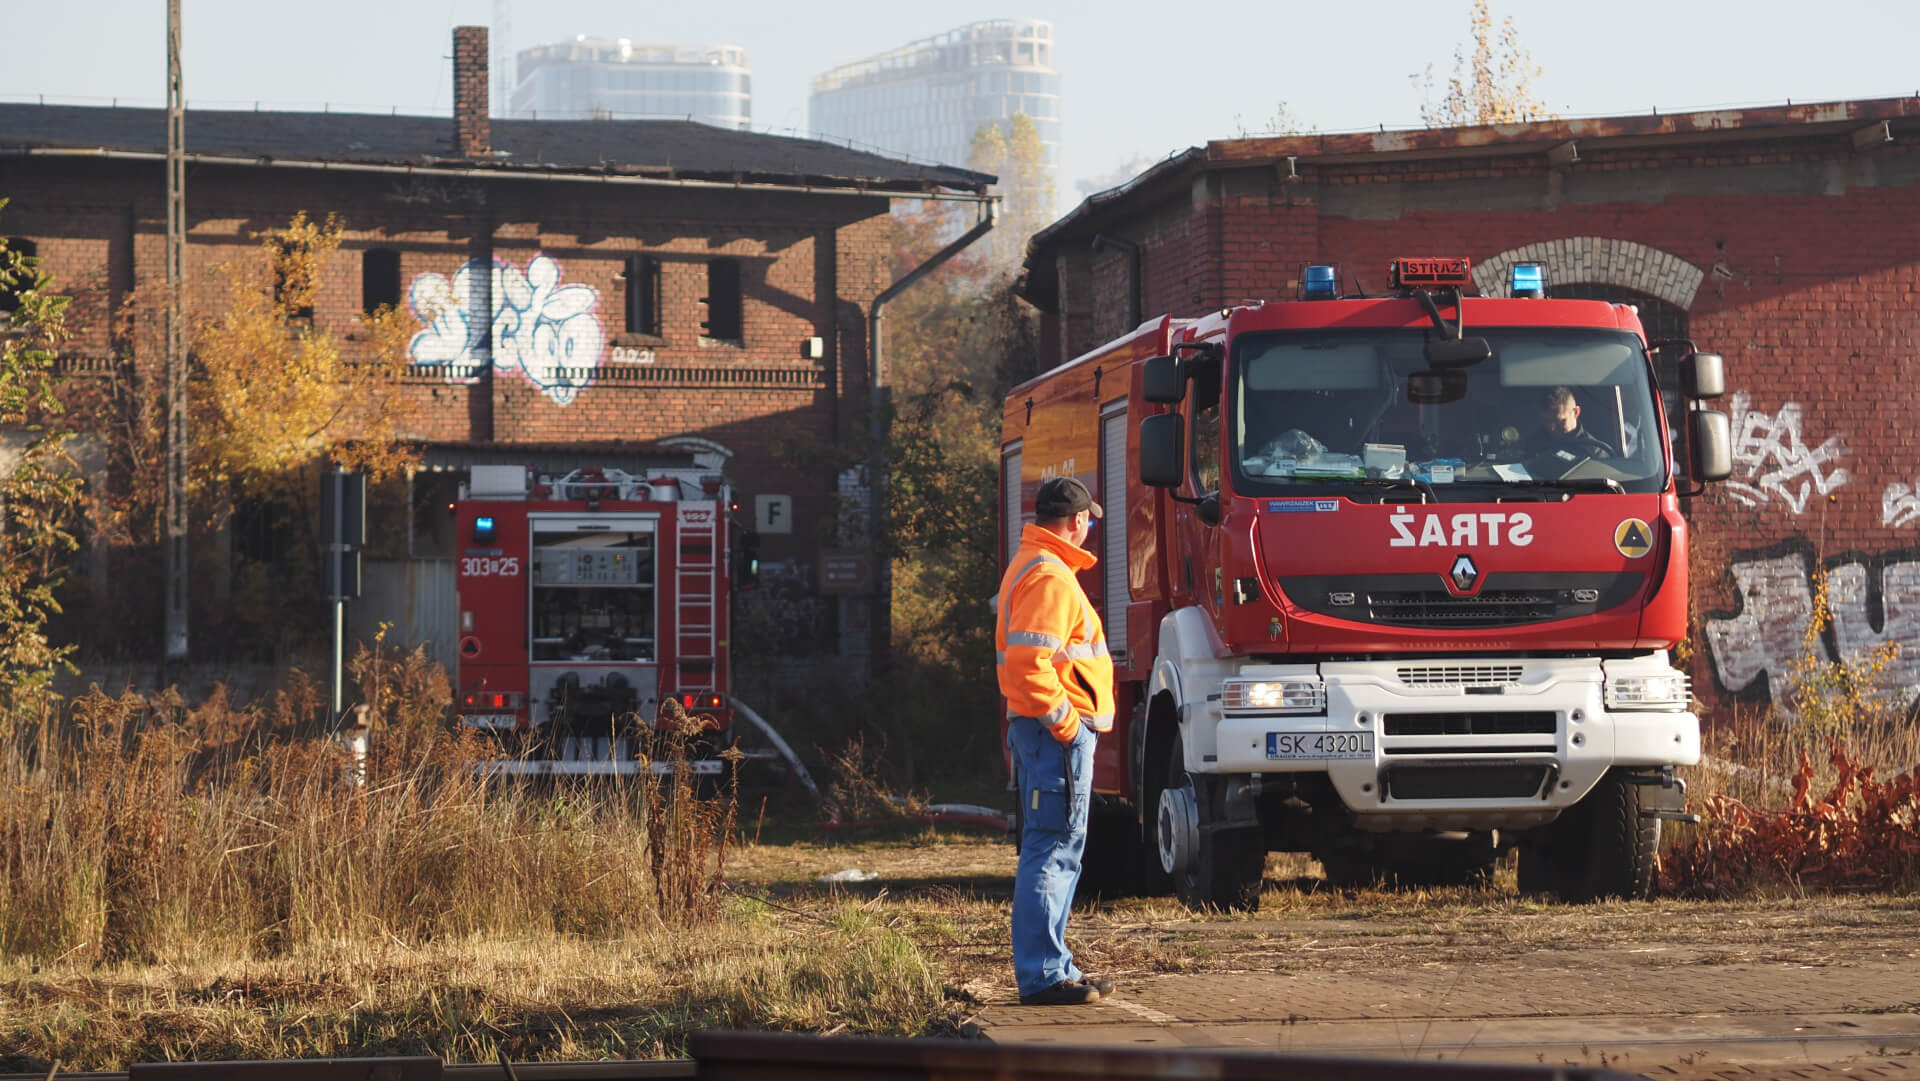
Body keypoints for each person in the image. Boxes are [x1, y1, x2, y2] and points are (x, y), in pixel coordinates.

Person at [996, 475, 1117, 1007]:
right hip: (1054, 734)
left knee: (1059, 848)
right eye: (1087, 517)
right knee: (1051, 849)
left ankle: (1055, 966)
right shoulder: (1049, 576)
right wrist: (1068, 725)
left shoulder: (1038, 566)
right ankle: (1044, 974)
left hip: (1045, 733)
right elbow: (1029, 666)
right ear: (1075, 521)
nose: (1089, 526)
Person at [1530, 386, 1614, 462]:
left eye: (1559, 421)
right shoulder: (1533, 445)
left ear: (1576, 412)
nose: (1551, 427)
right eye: (1546, 421)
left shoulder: (1596, 454)